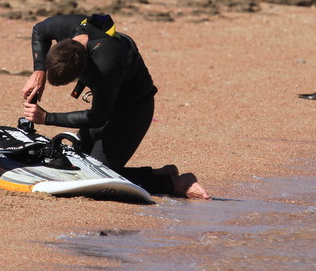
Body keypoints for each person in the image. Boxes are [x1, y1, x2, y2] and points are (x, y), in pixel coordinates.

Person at [21, 13, 210, 200]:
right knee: (75, 164)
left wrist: (46, 118)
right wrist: (39, 70)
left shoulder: (106, 64)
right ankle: (163, 173)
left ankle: (175, 184)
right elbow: (39, 30)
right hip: (107, 102)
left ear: (84, 67)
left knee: (95, 179)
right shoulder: (69, 27)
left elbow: (97, 117)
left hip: (132, 110)